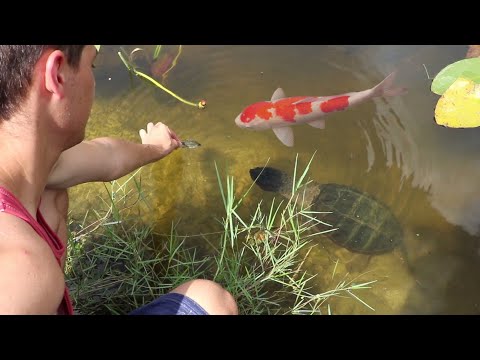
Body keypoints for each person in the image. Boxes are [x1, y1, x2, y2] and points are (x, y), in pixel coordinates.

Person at [0, 45, 238, 315]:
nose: (93, 82)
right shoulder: (23, 275)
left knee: (52, 194)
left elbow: (105, 155)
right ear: (56, 75)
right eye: (91, 66)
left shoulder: (27, 165)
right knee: (212, 303)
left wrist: (154, 149)